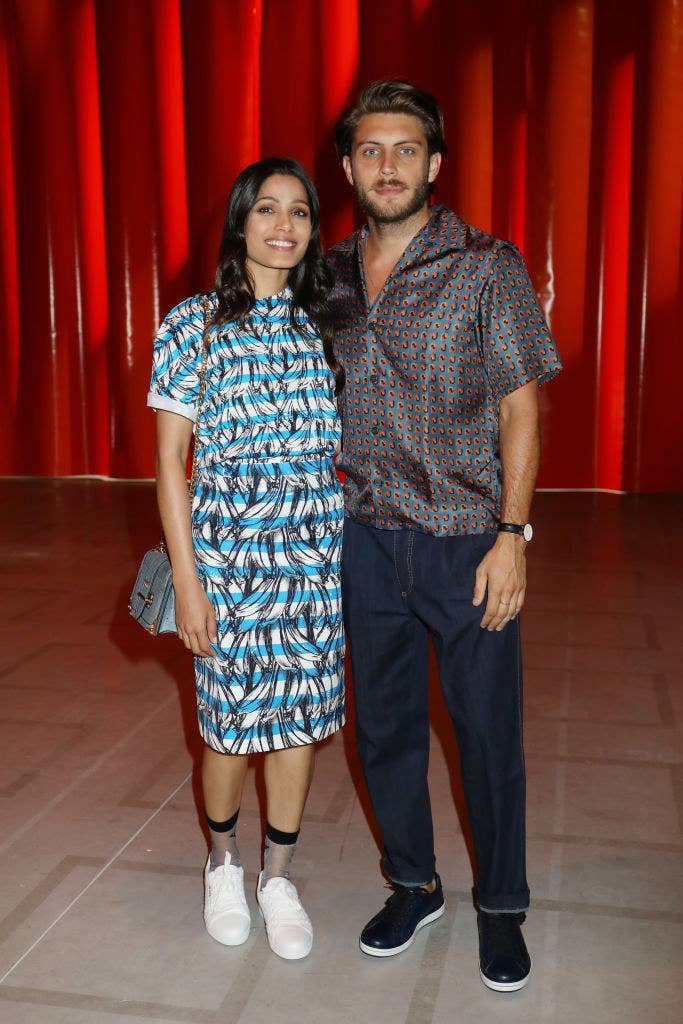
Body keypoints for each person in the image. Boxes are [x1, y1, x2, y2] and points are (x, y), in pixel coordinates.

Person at [328, 80, 562, 991]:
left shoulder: (486, 265)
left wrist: (513, 535)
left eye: (405, 149)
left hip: (466, 537)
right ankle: (412, 884)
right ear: (349, 166)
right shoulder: (332, 273)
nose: (388, 166)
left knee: (484, 733)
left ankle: (500, 906)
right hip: (365, 537)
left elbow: (520, 409)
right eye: (370, 151)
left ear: (433, 163)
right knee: (384, 729)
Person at [147, 157, 345, 961]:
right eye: (267, 209)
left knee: (298, 723)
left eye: (299, 211)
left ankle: (279, 877)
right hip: (226, 556)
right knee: (228, 728)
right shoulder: (191, 323)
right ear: (239, 222)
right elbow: (169, 464)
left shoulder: (328, 323)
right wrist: (188, 584)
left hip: (311, 557)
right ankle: (223, 863)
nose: (284, 226)